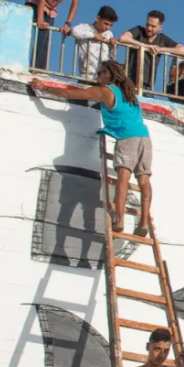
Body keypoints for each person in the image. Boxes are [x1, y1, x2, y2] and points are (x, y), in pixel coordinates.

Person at [30, 60, 154, 236]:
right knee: (144, 181)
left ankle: (119, 219)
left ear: (109, 74)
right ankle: (143, 222)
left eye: (100, 73)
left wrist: (45, 87)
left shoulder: (106, 91)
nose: (97, 77)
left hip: (127, 137)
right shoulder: (129, 93)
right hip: (145, 137)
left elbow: (71, 93)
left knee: (123, 178)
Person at [25, 0, 86, 70]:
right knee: (39, 33)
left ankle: (39, 70)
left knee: (46, 40)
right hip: (36, 1)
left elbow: (75, 3)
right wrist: (40, 19)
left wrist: (67, 24)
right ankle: (33, 68)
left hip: (51, 8)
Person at [118, 11, 184, 91]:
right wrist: (146, 46)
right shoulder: (139, 31)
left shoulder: (162, 38)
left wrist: (161, 49)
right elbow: (123, 38)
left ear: (160, 27)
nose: (149, 28)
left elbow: (183, 51)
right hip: (129, 80)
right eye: (147, 24)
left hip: (147, 85)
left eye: (153, 26)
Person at [70, 5, 119, 80]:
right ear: (98, 18)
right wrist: (93, 35)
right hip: (86, 75)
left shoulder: (109, 34)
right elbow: (74, 31)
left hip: (103, 76)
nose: (108, 27)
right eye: (106, 23)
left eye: (110, 25)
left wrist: (114, 46)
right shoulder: (86, 27)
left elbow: (112, 57)